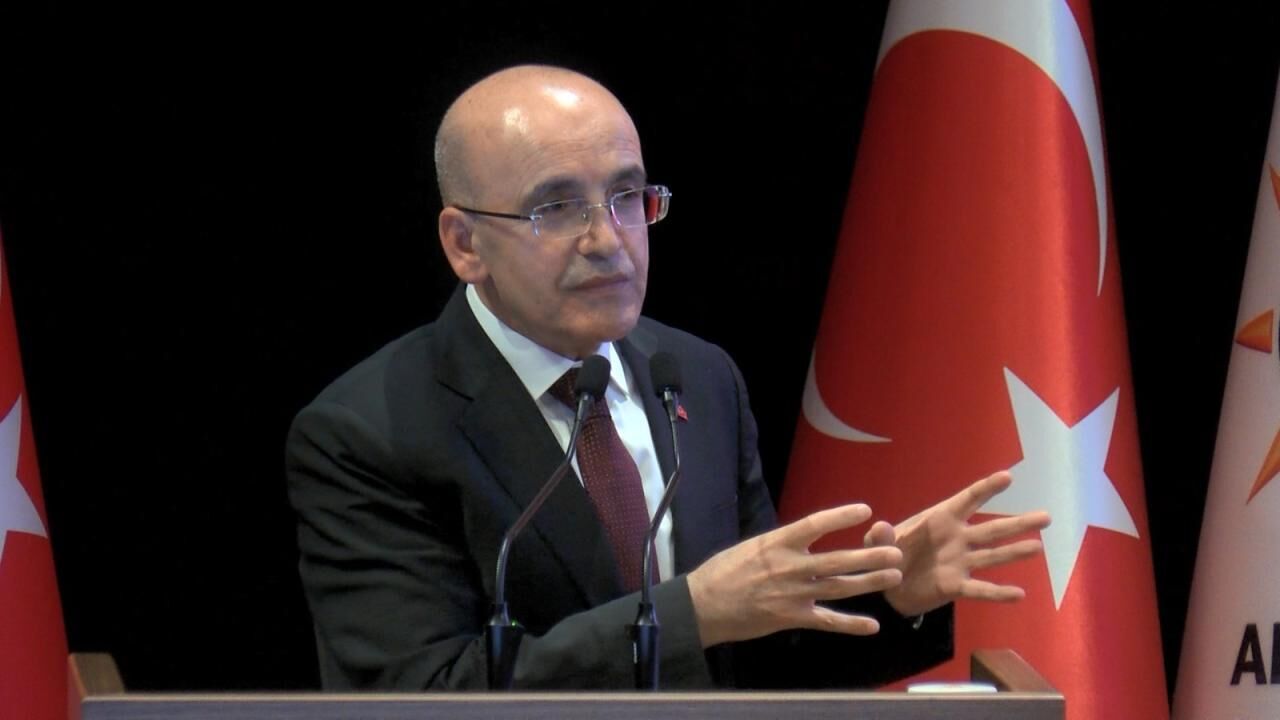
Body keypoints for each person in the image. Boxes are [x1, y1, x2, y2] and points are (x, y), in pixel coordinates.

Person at [285, 64, 1051, 690]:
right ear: (465, 243)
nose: (607, 239)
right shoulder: (367, 432)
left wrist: (892, 595)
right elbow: (420, 694)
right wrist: (692, 612)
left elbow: (747, 657)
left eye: (628, 197)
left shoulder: (696, 378)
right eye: (557, 207)